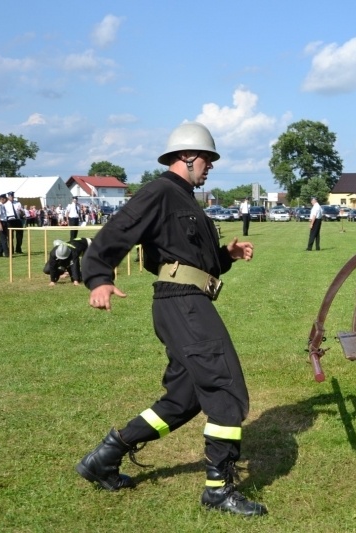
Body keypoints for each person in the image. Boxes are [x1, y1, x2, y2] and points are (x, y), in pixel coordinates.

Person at [75, 121, 266, 516]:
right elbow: (116, 232)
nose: (211, 166)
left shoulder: (187, 199)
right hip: (181, 303)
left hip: (188, 300)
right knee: (226, 387)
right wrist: (99, 277)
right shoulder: (160, 191)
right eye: (207, 159)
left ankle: (105, 457)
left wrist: (226, 255)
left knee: (185, 398)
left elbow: (194, 258)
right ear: (187, 156)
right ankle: (218, 490)